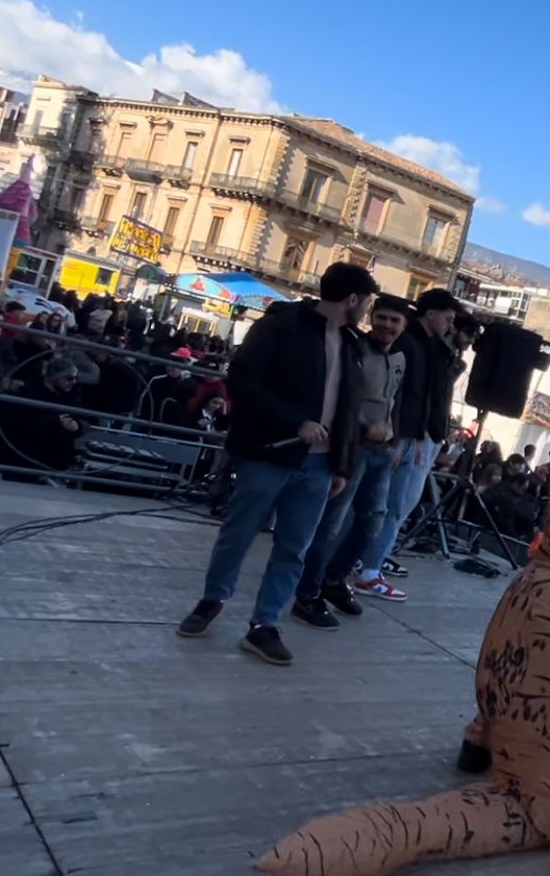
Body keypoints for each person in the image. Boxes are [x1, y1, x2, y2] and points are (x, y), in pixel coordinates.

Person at [175, 262, 376, 666]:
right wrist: (294, 422)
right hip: (269, 454)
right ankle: (212, 600)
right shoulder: (280, 327)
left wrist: (341, 466)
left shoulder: (354, 345)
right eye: (367, 301)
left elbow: (349, 409)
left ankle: (264, 625)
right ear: (352, 299)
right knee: (239, 532)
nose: (367, 310)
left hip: (319, 468)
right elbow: (244, 382)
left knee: (294, 548)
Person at [289, 297, 408, 629]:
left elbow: (394, 401)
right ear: (371, 316)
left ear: (403, 326)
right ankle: (307, 594)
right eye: (381, 318)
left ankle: (334, 579)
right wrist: (360, 429)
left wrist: (395, 439)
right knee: (330, 526)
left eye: (394, 321)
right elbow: (339, 399)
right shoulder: (353, 350)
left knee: (371, 523)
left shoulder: (400, 359)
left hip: (382, 454)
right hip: (352, 448)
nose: (386, 325)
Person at [348, 288, 465, 601]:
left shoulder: (431, 347)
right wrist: (404, 437)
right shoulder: (411, 346)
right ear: (431, 314)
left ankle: (369, 564)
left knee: (394, 506)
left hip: (416, 435)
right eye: (448, 318)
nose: (451, 325)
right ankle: (369, 570)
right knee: (393, 505)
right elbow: (404, 395)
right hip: (407, 438)